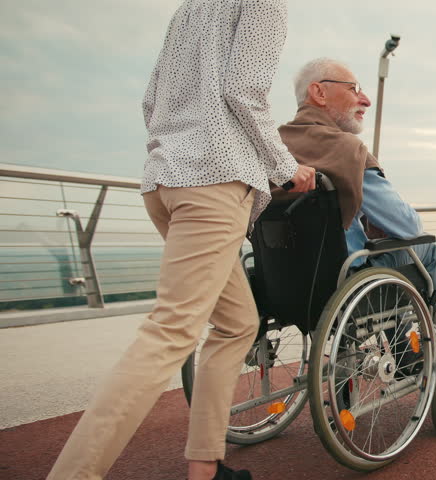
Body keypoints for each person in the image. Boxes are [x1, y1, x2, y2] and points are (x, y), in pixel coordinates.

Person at [47, 1, 314, 479]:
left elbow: (151, 100)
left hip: (167, 180)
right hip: (214, 182)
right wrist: (285, 167)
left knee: (236, 324)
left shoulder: (191, 9)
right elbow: (243, 90)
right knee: (170, 332)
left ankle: (204, 467)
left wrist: (177, 146)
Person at [275, 57, 436, 295]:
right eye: (353, 89)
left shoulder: (274, 148)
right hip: (346, 284)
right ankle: (435, 331)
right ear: (319, 92)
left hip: (284, 285)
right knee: (424, 244)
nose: (366, 100)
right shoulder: (346, 149)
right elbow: (408, 226)